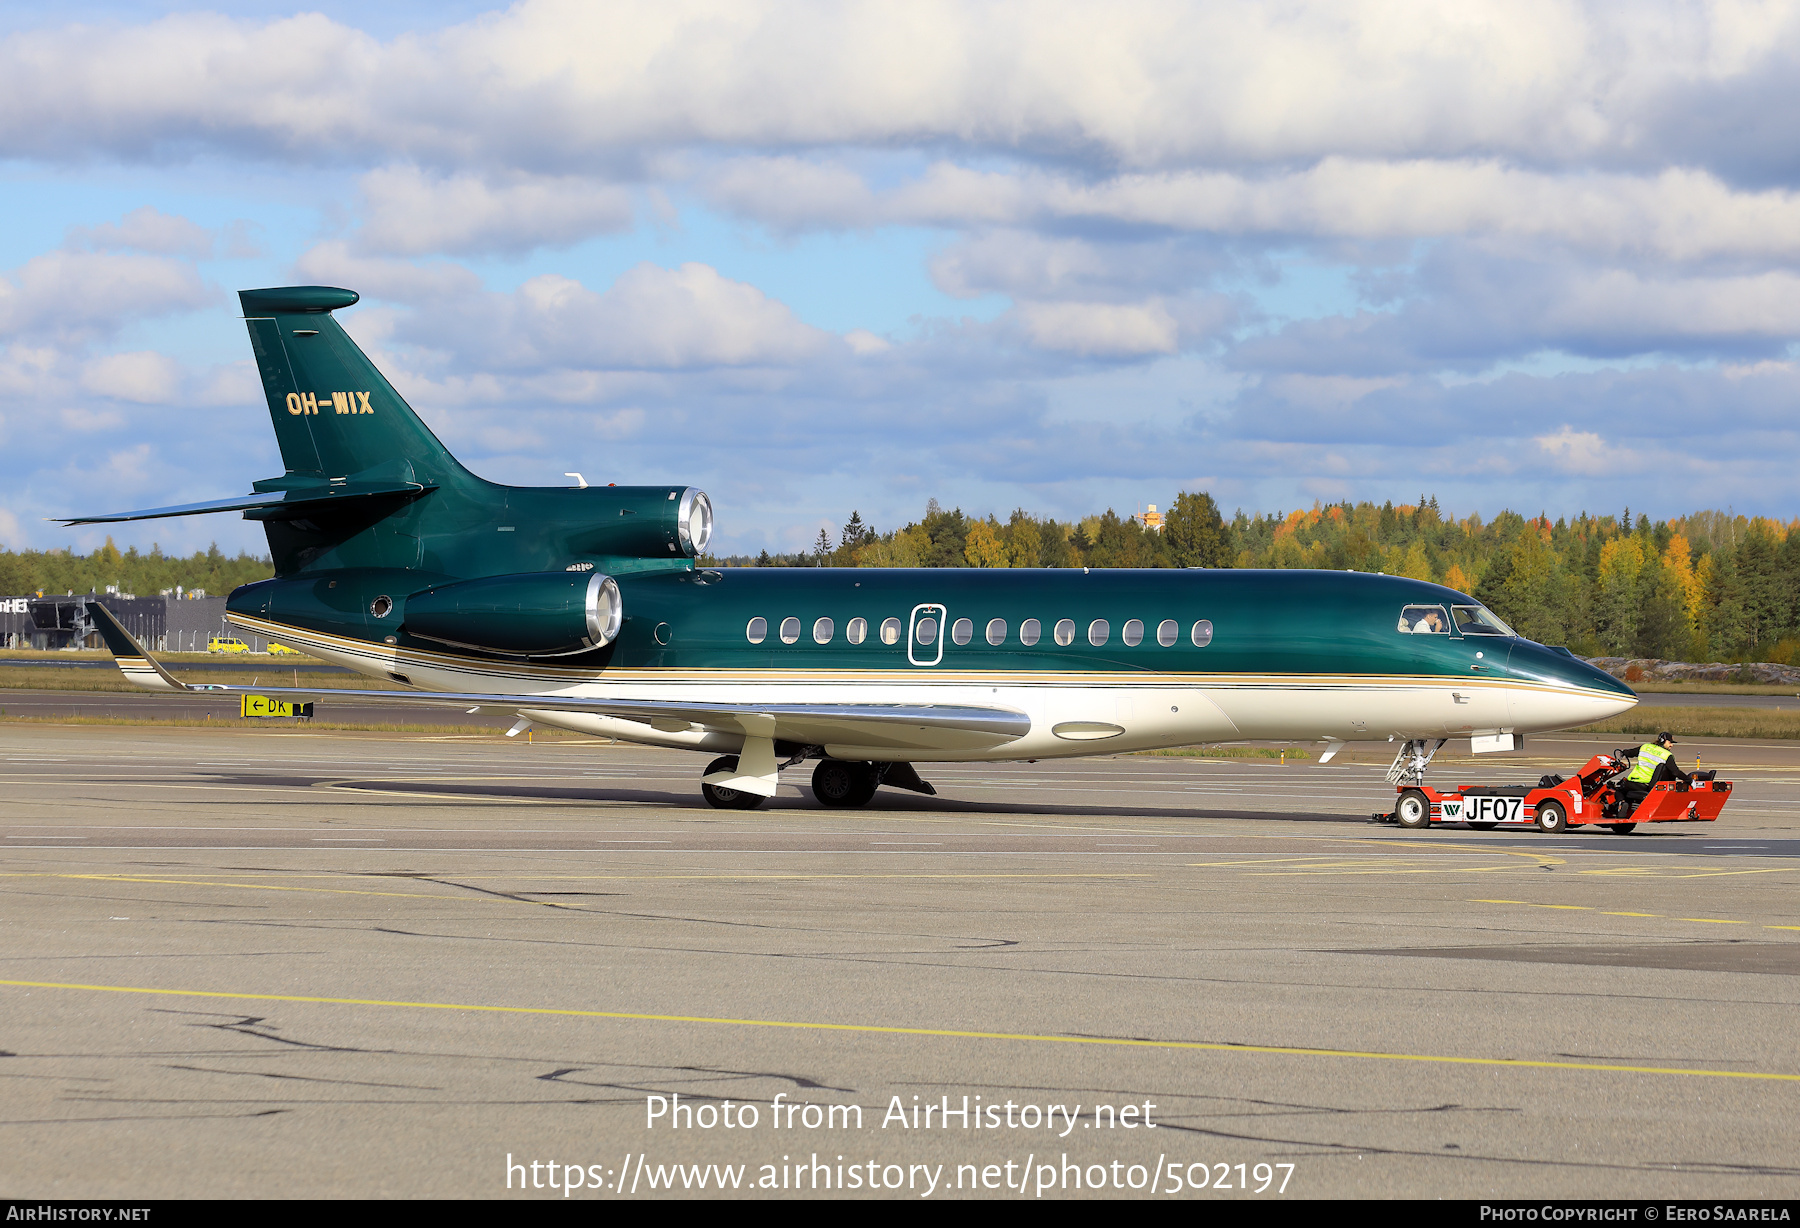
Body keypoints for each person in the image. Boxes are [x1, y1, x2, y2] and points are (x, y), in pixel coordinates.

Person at [1616, 731, 1689, 811]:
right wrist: (1690, 780)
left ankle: (1622, 804)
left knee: (1619, 788)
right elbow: (1676, 772)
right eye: (1670, 742)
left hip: (1635, 782)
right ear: (1663, 741)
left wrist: (1623, 752)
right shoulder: (1666, 755)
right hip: (1649, 784)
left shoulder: (1645, 747)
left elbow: (1630, 752)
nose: (1671, 745)